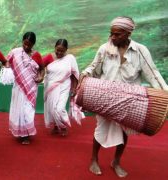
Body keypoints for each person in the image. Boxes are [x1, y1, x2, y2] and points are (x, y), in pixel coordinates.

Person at [80, 16, 168, 178]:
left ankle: (116, 161)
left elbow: (153, 73)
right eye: (111, 34)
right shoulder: (104, 49)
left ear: (128, 33)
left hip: (129, 100)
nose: (113, 37)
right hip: (105, 98)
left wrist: (165, 93)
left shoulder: (141, 50)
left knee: (124, 131)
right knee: (100, 129)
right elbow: (94, 68)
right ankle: (94, 159)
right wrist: (84, 75)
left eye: (117, 34)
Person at [7, 32, 45, 145]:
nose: (27, 46)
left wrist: (41, 77)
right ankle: (20, 133)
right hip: (18, 86)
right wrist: (7, 69)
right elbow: (6, 62)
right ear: (22, 41)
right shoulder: (15, 52)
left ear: (33, 44)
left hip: (31, 87)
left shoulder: (36, 55)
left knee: (28, 111)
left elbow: (42, 69)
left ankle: (26, 134)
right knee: (19, 109)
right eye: (25, 43)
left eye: (30, 44)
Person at [43, 39, 84, 136]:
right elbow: (39, 66)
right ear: (55, 48)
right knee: (52, 109)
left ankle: (63, 126)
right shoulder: (49, 57)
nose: (59, 52)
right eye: (57, 50)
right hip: (50, 87)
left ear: (66, 50)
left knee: (59, 108)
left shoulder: (70, 58)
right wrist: (40, 75)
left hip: (64, 86)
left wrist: (74, 89)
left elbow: (74, 75)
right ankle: (57, 127)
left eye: (62, 51)